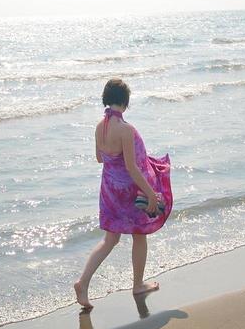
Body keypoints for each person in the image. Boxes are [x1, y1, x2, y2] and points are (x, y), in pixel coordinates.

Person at [73, 78, 172, 311]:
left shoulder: (100, 126)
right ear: (126, 103)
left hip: (108, 189)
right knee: (139, 235)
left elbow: (100, 158)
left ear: (106, 99)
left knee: (110, 239)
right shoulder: (126, 130)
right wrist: (150, 193)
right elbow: (132, 168)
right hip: (128, 190)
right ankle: (138, 285)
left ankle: (83, 282)